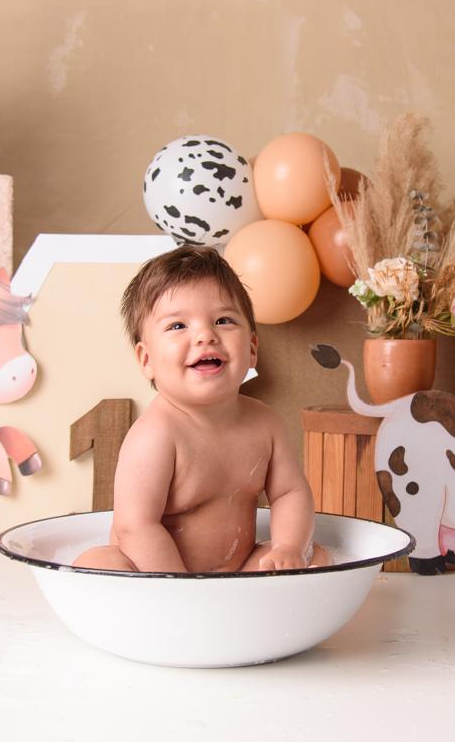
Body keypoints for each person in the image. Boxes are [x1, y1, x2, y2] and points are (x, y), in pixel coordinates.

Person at [73, 245, 329, 573]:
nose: (206, 335)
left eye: (223, 320)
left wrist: (287, 547)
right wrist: (183, 591)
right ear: (147, 359)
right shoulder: (156, 436)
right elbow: (135, 527)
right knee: (99, 562)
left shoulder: (266, 424)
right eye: (178, 326)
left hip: (235, 573)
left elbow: (289, 493)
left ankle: (245, 595)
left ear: (252, 349)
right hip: (156, 577)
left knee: (314, 556)